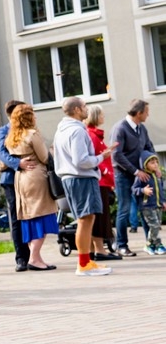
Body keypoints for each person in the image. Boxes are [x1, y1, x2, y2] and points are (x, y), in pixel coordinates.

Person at [52, 96, 115, 277]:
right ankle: (84, 263)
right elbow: (81, 160)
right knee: (85, 220)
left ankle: (86, 261)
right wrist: (101, 157)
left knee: (84, 220)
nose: (87, 109)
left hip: (70, 178)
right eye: (85, 106)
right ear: (77, 110)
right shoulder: (78, 131)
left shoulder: (61, 131)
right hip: (81, 178)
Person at [5, 103, 59, 271]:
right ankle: (34, 258)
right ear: (28, 117)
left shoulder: (11, 137)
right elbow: (44, 157)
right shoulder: (32, 134)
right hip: (36, 177)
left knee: (29, 217)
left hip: (21, 179)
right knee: (41, 216)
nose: (35, 117)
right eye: (33, 114)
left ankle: (37, 257)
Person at [0, 100, 36, 272]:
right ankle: (21, 257)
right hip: (11, 180)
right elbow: (0, 154)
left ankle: (35, 256)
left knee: (33, 215)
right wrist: (18, 163)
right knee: (16, 217)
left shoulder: (28, 131)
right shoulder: (3, 131)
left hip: (30, 179)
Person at [111, 99, 153, 256]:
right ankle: (121, 245)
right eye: (146, 112)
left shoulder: (142, 128)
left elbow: (149, 146)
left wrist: (153, 164)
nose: (148, 115)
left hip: (141, 174)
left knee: (146, 208)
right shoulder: (120, 128)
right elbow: (116, 155)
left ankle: (152, 243)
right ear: (139, 113)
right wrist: (135, 171)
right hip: (124, 175)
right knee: (124, 209)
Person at [85, 105, 121, 262]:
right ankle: (100, 250)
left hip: (101, 180)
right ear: (95, 116)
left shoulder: (94, 135)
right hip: (99, 181)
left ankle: (94, 250)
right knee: (100, 216)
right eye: (102, 115)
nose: (103, 118)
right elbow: (96, 159)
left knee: (98, 216)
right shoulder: (92, 136)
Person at [132, 153, 166, 255]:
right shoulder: (142, 176)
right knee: (154, 225)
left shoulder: (157, 175)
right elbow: (134, 189)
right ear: (145, 164)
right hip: (147, 206)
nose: (155, 164)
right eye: (152, 163)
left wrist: (163, 201)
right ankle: (149, 245)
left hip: (157, 205)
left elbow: (160, 190)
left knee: (156, 225)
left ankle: (156, 244)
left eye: (156, 162)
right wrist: (143, 190)